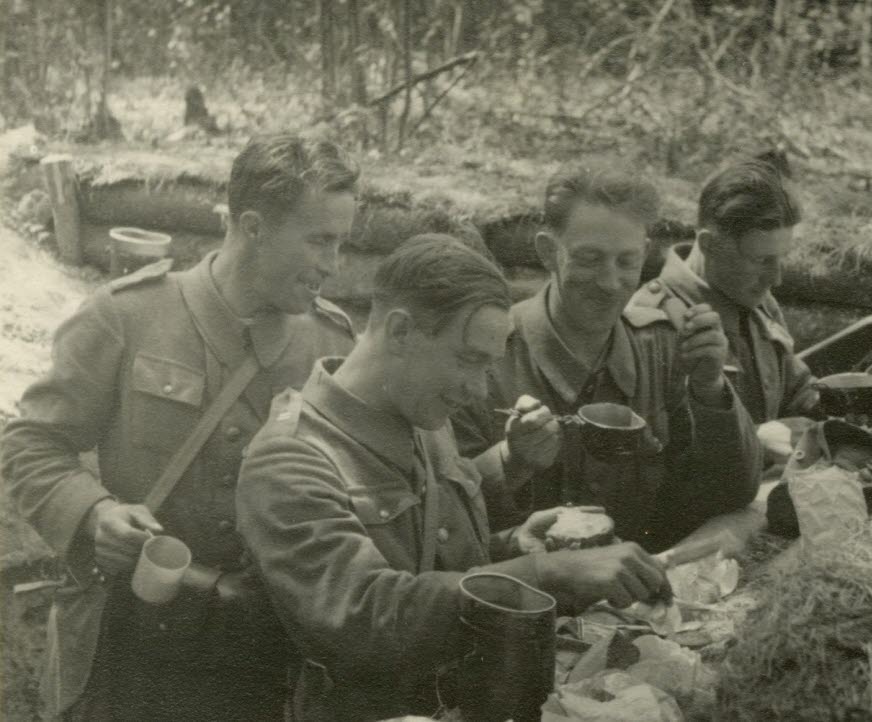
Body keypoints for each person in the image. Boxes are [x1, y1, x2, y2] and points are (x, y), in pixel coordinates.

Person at [0, 135, 361, 721]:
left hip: (259, 665)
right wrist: (94, 513)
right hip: (129, 650)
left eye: (342, 243)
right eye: (320, 240)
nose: (333, 264)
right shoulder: (128, 315)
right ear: (253, 226)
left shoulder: (332, 346)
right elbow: (32, 442)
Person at [235, 237, 668, 721]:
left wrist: (514, 546)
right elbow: (367, 615)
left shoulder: (423, 419)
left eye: (489, 365)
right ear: (400, 331)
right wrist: (544, 574)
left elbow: (432, 554)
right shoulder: (290, 459)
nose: (478, 390)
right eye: (468, 360)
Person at [453, 161, 761, 552]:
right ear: (549, 252)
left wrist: (710, 389)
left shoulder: (663, 349)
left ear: (645, 255)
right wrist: (510, 461)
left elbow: (728, 497)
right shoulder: (486, 357)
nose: (610, 282)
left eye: (627, 261)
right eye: (589, 259)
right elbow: (438, 521)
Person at [628, 157, 819, 425]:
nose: (775, 279)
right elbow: (656, 450)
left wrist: (848, 399)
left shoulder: (760, 302)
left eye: (780, 258)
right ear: (709, 245)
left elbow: (796, 392)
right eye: (761, 260)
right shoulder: (652, 321)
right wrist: (757, 442)